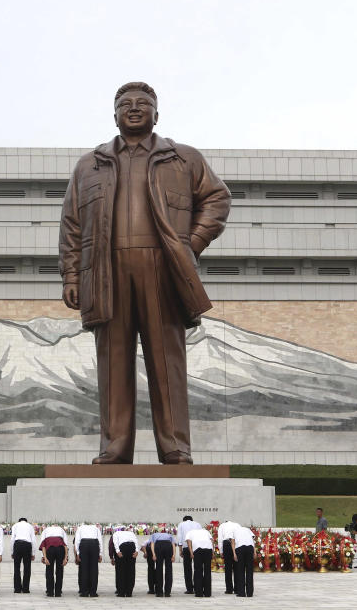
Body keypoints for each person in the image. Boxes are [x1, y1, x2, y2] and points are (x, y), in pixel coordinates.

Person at [58, 81, 231, 465]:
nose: (133, 108)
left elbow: (217, 198)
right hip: (106, 270)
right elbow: (71, 223)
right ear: (114, 114)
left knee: (166, 361)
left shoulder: (183, 158)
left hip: (162, 269)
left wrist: (191, 244)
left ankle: (175, 447)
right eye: (125, 104)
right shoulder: (90, 164)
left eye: (143, 103)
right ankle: (115, 447)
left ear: (157, 113)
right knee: (113, 362)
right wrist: (71, 276)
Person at [39, 524, 68, 597]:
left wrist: (44, 557)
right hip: (60, 549)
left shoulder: (45, 530)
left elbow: (43, 545)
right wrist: (65, 558)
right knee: (60, 570)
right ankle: (58, 592)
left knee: (49, 570)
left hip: (50, 549)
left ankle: (50, 592)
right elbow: (65, 545)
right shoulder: (61, 530)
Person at [74, 522, 103, 597]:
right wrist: (100, 554)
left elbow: (77, 541)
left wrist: (77, 553)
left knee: (84, 569)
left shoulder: (80, 528)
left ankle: (84, 592)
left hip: (84, 544)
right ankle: (93, 592)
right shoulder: (96, 528)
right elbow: (100, 541)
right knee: (94, 569)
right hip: (94, 544)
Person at [176, 515, 202, 594]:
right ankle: (198, 587)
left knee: (187, 568)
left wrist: (180, 550)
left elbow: (180, 537)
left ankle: (189, 589)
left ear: (184, 520)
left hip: (186, 548)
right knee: (198, 567)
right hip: (197, 547)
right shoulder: (197, 524)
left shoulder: (181, 524)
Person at [185, 525, 213, 597]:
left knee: (198, 571)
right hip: (208, 550)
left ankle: (199, 593)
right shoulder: (206, 531)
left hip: (198, 550)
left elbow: (189, 542)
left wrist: (191, 553)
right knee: (207, 571)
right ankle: (207, 593)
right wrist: (212, 552)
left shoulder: (190, 532)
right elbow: (211, 540)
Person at [10, 517, 36, 593]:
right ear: (26, 521)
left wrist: (12, 551)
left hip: (17, 544)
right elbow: (33, 539)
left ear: (19, 521)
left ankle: (17, 589)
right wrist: (33, 553)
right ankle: (25, 589)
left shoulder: (15, 525)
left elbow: (12, 539)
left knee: (17, 567)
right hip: (27, 545)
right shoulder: (30, 526)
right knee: (27, 568)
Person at [111, 526, 138, 597]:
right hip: (132, 547)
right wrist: (136, 551)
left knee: (121, 571)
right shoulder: (131, 533)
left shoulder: (116, 533)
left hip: (122, 547)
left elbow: (115, 542)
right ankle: (129, 592)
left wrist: (118, 551)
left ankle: (121, 592)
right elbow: (135, 541)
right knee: (131, 570)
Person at [230, 524, 255, 597]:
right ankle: (250, 593)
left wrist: (234, 553)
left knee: (240, 571)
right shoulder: (247, 529)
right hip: (250, 548)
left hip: (240, 548)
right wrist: (255, 552)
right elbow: (252, 541)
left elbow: (233, 542)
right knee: (249, 571)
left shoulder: (234, 531)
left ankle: (241, 592)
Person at [149, 527, 175, 597]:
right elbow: (173, 545)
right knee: (169, 569)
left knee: (158, 569)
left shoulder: (154, 535)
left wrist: (154, 554)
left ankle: (159, 592)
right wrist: (173, 555)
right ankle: (167, 592)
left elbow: (152, 544)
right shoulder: (169, 535)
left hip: (159, 545)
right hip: (168, 545)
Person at [216, 520, 240, 594]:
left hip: (226, 544)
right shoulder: (237, 524)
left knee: (228, 568)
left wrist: (221, 551)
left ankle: (229, 589)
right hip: (236, 544)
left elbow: (220, 539)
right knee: (237, 567)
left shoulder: (222, 526)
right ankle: (237, 588)